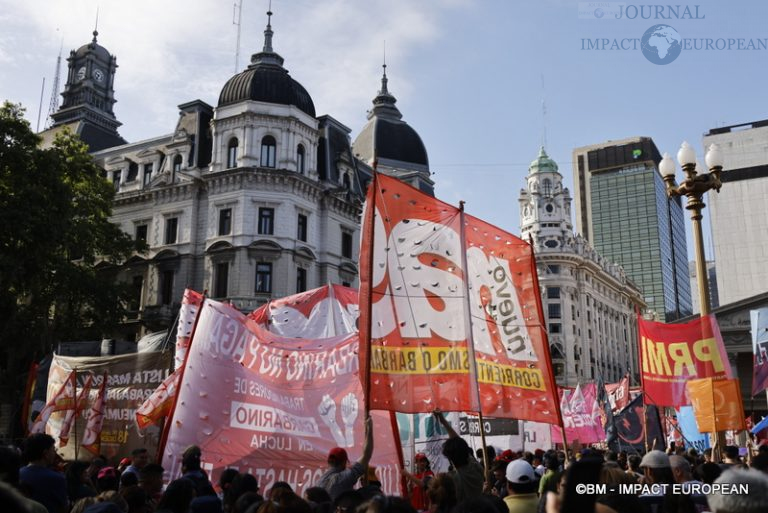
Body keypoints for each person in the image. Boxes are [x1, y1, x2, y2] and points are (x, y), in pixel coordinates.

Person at [317, 415, 373, 500]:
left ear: (328, 462)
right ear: (344, 462)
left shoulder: (319, 481)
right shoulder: (345, 477)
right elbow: (366, 455)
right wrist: (369, 429)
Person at [433, 412, 484, 502]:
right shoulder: (476, 467)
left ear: (450, 459)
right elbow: (459, 444)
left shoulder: (452, 479)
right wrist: (443, 421)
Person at [19, 433, 68, 513]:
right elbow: (63, 508)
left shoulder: (18, 473)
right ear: (45, 454)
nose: (55, 453)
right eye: (53, 449)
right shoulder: (56, 478)